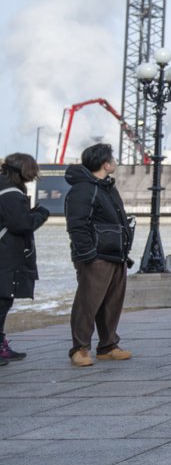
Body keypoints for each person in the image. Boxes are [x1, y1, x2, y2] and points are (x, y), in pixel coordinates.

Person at [64, 143, 134, 367]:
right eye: (112, 158)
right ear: (105, 163)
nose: (115, 161)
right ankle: (80, 348)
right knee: (88, 302)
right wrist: (88, 254)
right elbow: (77, 225)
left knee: (112, 303)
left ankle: (108, 345)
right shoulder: (84, 189)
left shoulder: (106, 187)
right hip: (96, 256)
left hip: (115, 254)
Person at [0, 153, 50, 364]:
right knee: (2, 301)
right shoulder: (11, 194)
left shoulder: (5, 189)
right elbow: (21, 224)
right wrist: (41, 214)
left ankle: (2, 345)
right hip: (5, 257)